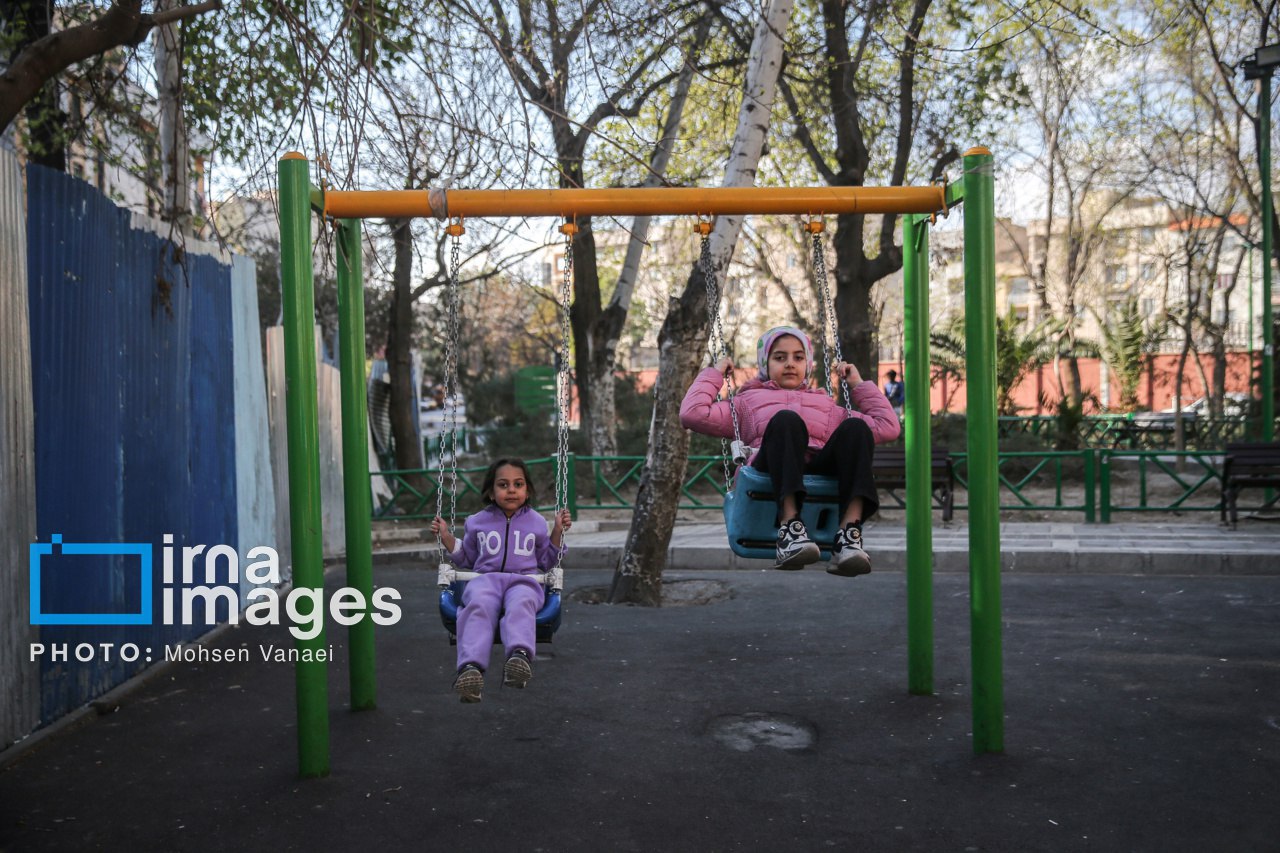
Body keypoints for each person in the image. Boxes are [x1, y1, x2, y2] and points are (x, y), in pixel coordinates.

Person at [680, 326, 900, 575]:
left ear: (808, 363)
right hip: (769, 468)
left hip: (817, 467)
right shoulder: (744, 403)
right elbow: (692, 413)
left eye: (798, 357)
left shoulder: (827, 406)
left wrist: (858, 384)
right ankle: (790, 529)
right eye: (779, 357)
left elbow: (888, 426)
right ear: (765, 363)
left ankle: (848, 536)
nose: (790, 364)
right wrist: (715, 374)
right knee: (786, 420)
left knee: (857, 428)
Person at [431, 458, 571, 703]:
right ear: (490, 492)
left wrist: (558, 531)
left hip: (524, 581)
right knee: (478, 605)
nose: (511, 490)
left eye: (518, 484)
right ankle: (471, 669)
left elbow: (547, 560)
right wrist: (446, 536)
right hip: (486, 580)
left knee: (522, 603)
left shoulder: (537, 522)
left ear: (528, 491)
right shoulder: (477, 521)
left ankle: (518, 657)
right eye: (503, 485)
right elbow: (467, 557)